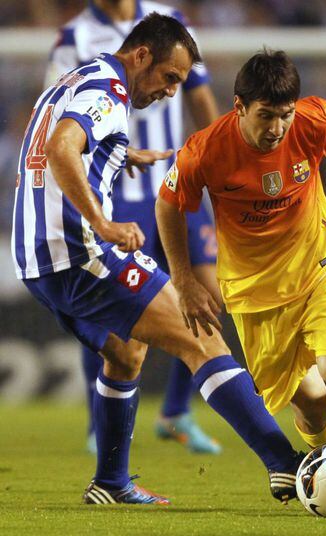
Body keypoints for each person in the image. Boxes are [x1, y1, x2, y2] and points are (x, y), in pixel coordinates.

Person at [12, 15, 303, 506]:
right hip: (79, 249)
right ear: (141, 55)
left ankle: (110, 483)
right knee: (201, 334)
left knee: (126, 353)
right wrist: (103, 225)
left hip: (37, 256)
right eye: (169, 77)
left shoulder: (80, 78)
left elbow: (56, 141)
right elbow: (62, 146)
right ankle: (286, 465)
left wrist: (122, 154)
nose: (171, 92)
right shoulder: (109, 90)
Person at [156, 50, 326, 474]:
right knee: (311, 404)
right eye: (265, 115)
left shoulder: (312, 118)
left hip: (318, 265)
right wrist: (185, 280)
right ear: (239, 107)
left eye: (284, 115)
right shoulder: (206, 151)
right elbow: (168, 206)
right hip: (253, 293)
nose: (277, 128)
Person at [44, 0, 222, 455]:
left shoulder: (171, 23)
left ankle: (177, 411)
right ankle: (98, 420)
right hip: (118, 187)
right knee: (108, 308)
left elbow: (199, 94)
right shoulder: (75, 37)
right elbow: (55, 115)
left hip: (171, 174)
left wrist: (220, 167)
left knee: (212, 294)